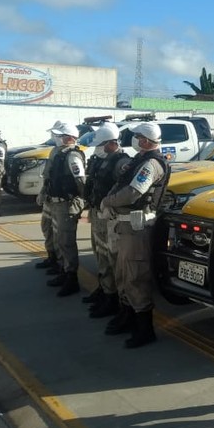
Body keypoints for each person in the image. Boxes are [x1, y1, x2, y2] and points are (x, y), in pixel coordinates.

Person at [100, 122, 170, 349]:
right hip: (124, 225)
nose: (136, 140)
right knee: (122, 274)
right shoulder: (139, 160)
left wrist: (108, 201)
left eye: (139, 137)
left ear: (147, 140)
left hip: (137, 227)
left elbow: (133, 193)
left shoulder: (151, 164)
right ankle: (128, 316)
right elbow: (121, 184)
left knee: (135, 276)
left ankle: (144, 328)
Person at [83, 123, 130, 318]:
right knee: (100, 253)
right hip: (97, 212)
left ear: (112, 143)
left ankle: (113, 297)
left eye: (101, 145)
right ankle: (105, 289)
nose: (97, 149)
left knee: (110, 258)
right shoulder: (101, 159)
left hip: (110, 216)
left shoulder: (121, 163)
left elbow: (125, 191)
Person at [45, 122, 87, 297]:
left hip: (67, 204)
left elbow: (81, 181)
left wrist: (84, 200)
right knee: (59, 239)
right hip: (57, 203)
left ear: (70, 138)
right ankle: (64, 270)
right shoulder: (60, 153)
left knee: (66, 241)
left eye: (60, 135)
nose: (56, 138)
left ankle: (71, 278)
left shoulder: (72, 156)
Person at [36, 121, 68, 274]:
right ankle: (52, 256)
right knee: (46, 226)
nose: (54, 137)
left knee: (59, 233)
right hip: (50, 194)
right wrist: (43, 192)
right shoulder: (54, 151)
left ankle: (61, 263)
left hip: (61, 199)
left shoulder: (69, 153)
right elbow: (48, 175)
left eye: (56, 134)